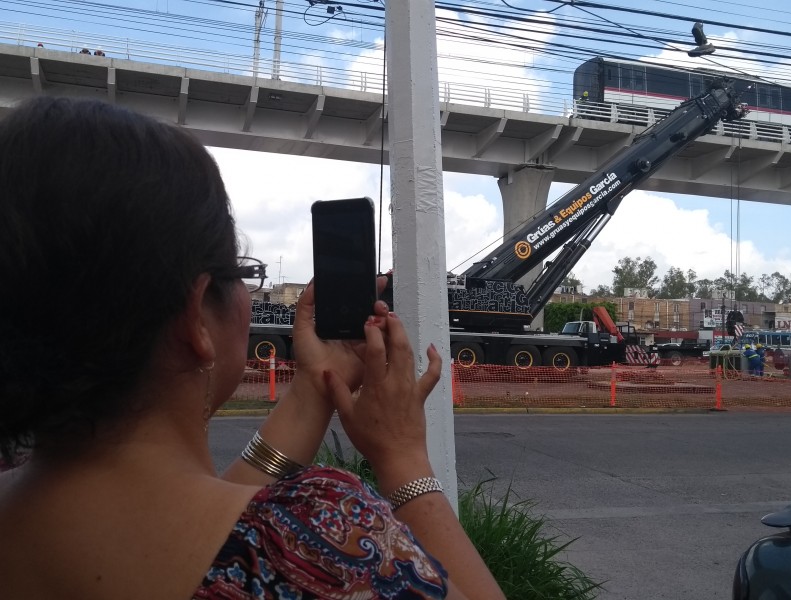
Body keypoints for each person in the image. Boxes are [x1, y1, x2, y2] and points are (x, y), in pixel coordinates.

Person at [0, 97, 504, 599]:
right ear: (196, 314)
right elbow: (231, 532)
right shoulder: (320, 549)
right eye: (242, 269)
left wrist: (314, 386)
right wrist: (403, 456)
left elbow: (218, 517)